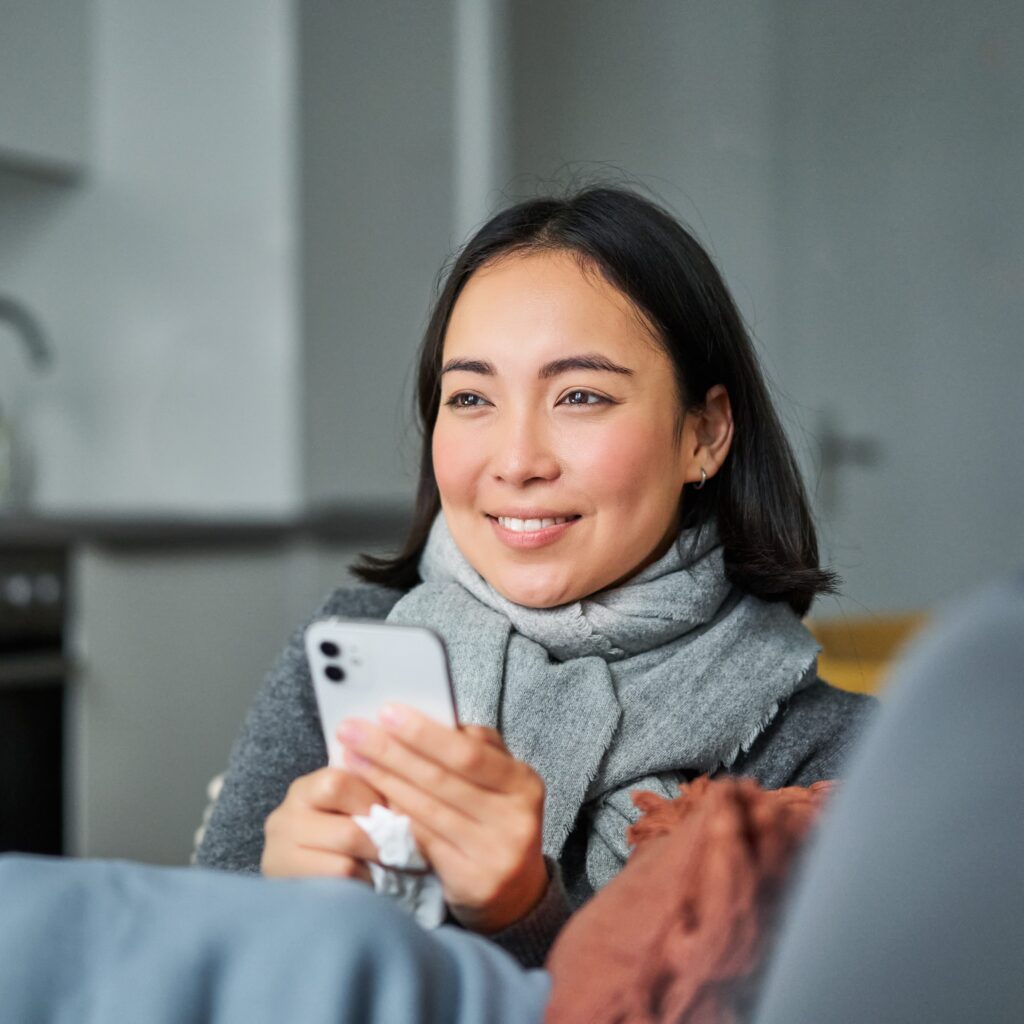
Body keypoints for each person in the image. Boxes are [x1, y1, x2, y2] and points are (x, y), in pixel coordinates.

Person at [196, 185, 876, 967]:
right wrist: (261, 914)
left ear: (706, 433)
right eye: (472, 397)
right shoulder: (351, 653)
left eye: (580, 395)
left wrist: (522, 914)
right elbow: (194, 977)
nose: (517, 462)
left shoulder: (824, 751)